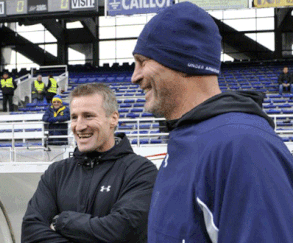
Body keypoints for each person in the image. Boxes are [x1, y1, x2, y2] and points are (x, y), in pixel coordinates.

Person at [132, 2, 293, 242]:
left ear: (182, 60)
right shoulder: (189, 138)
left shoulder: (243, 147)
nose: (135, 77)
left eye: (142, 61)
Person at [22, 83, 158, 242]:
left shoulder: (141, 171)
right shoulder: (57, 172)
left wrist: (64, 222)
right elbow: (31, 233)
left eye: (88, 116)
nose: (79, 126)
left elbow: (123, 232)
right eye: (74, 117)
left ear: (113, 119)